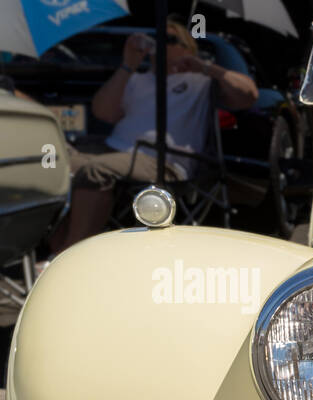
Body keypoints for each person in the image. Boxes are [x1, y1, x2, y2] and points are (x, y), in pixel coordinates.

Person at [49, 18, 257, 253]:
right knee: (54, 161)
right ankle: (43, 247)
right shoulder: (136, 79)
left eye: (168, 40)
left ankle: (68, 253)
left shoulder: (201, 82)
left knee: (96, 170)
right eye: (155, 39)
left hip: (161, 159)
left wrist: (204, 67)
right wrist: (128, 64)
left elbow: (249, 94)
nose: (160, 45)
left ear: (187, 46)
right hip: (114, 150)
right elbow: (103, 112)